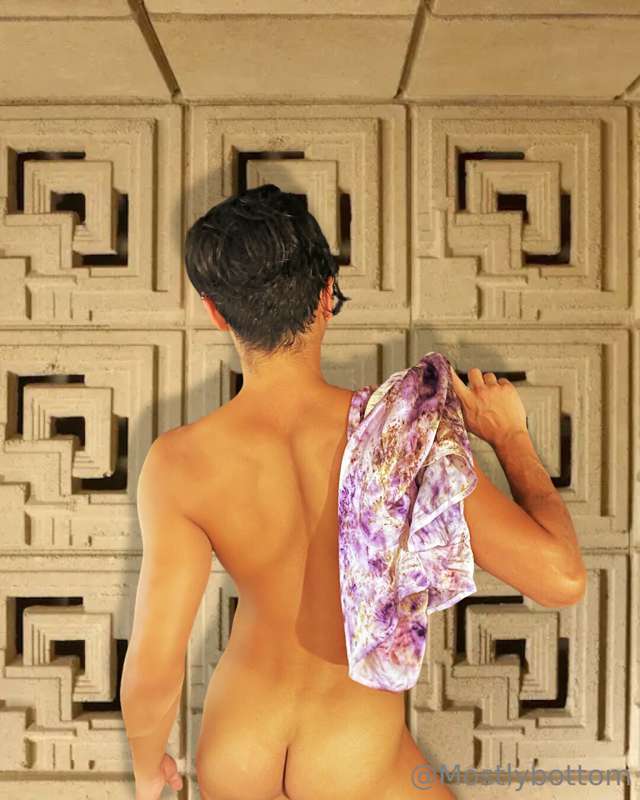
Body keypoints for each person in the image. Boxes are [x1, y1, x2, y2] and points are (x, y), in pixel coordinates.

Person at [120, 185, 587, 800]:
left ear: (217, 312)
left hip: (237, 743)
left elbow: (154, 663)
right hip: (349, 745)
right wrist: (511, 438)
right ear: (325, 296)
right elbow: (561, 579)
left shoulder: (176, 462)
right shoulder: (399, 436)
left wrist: (148, 764)